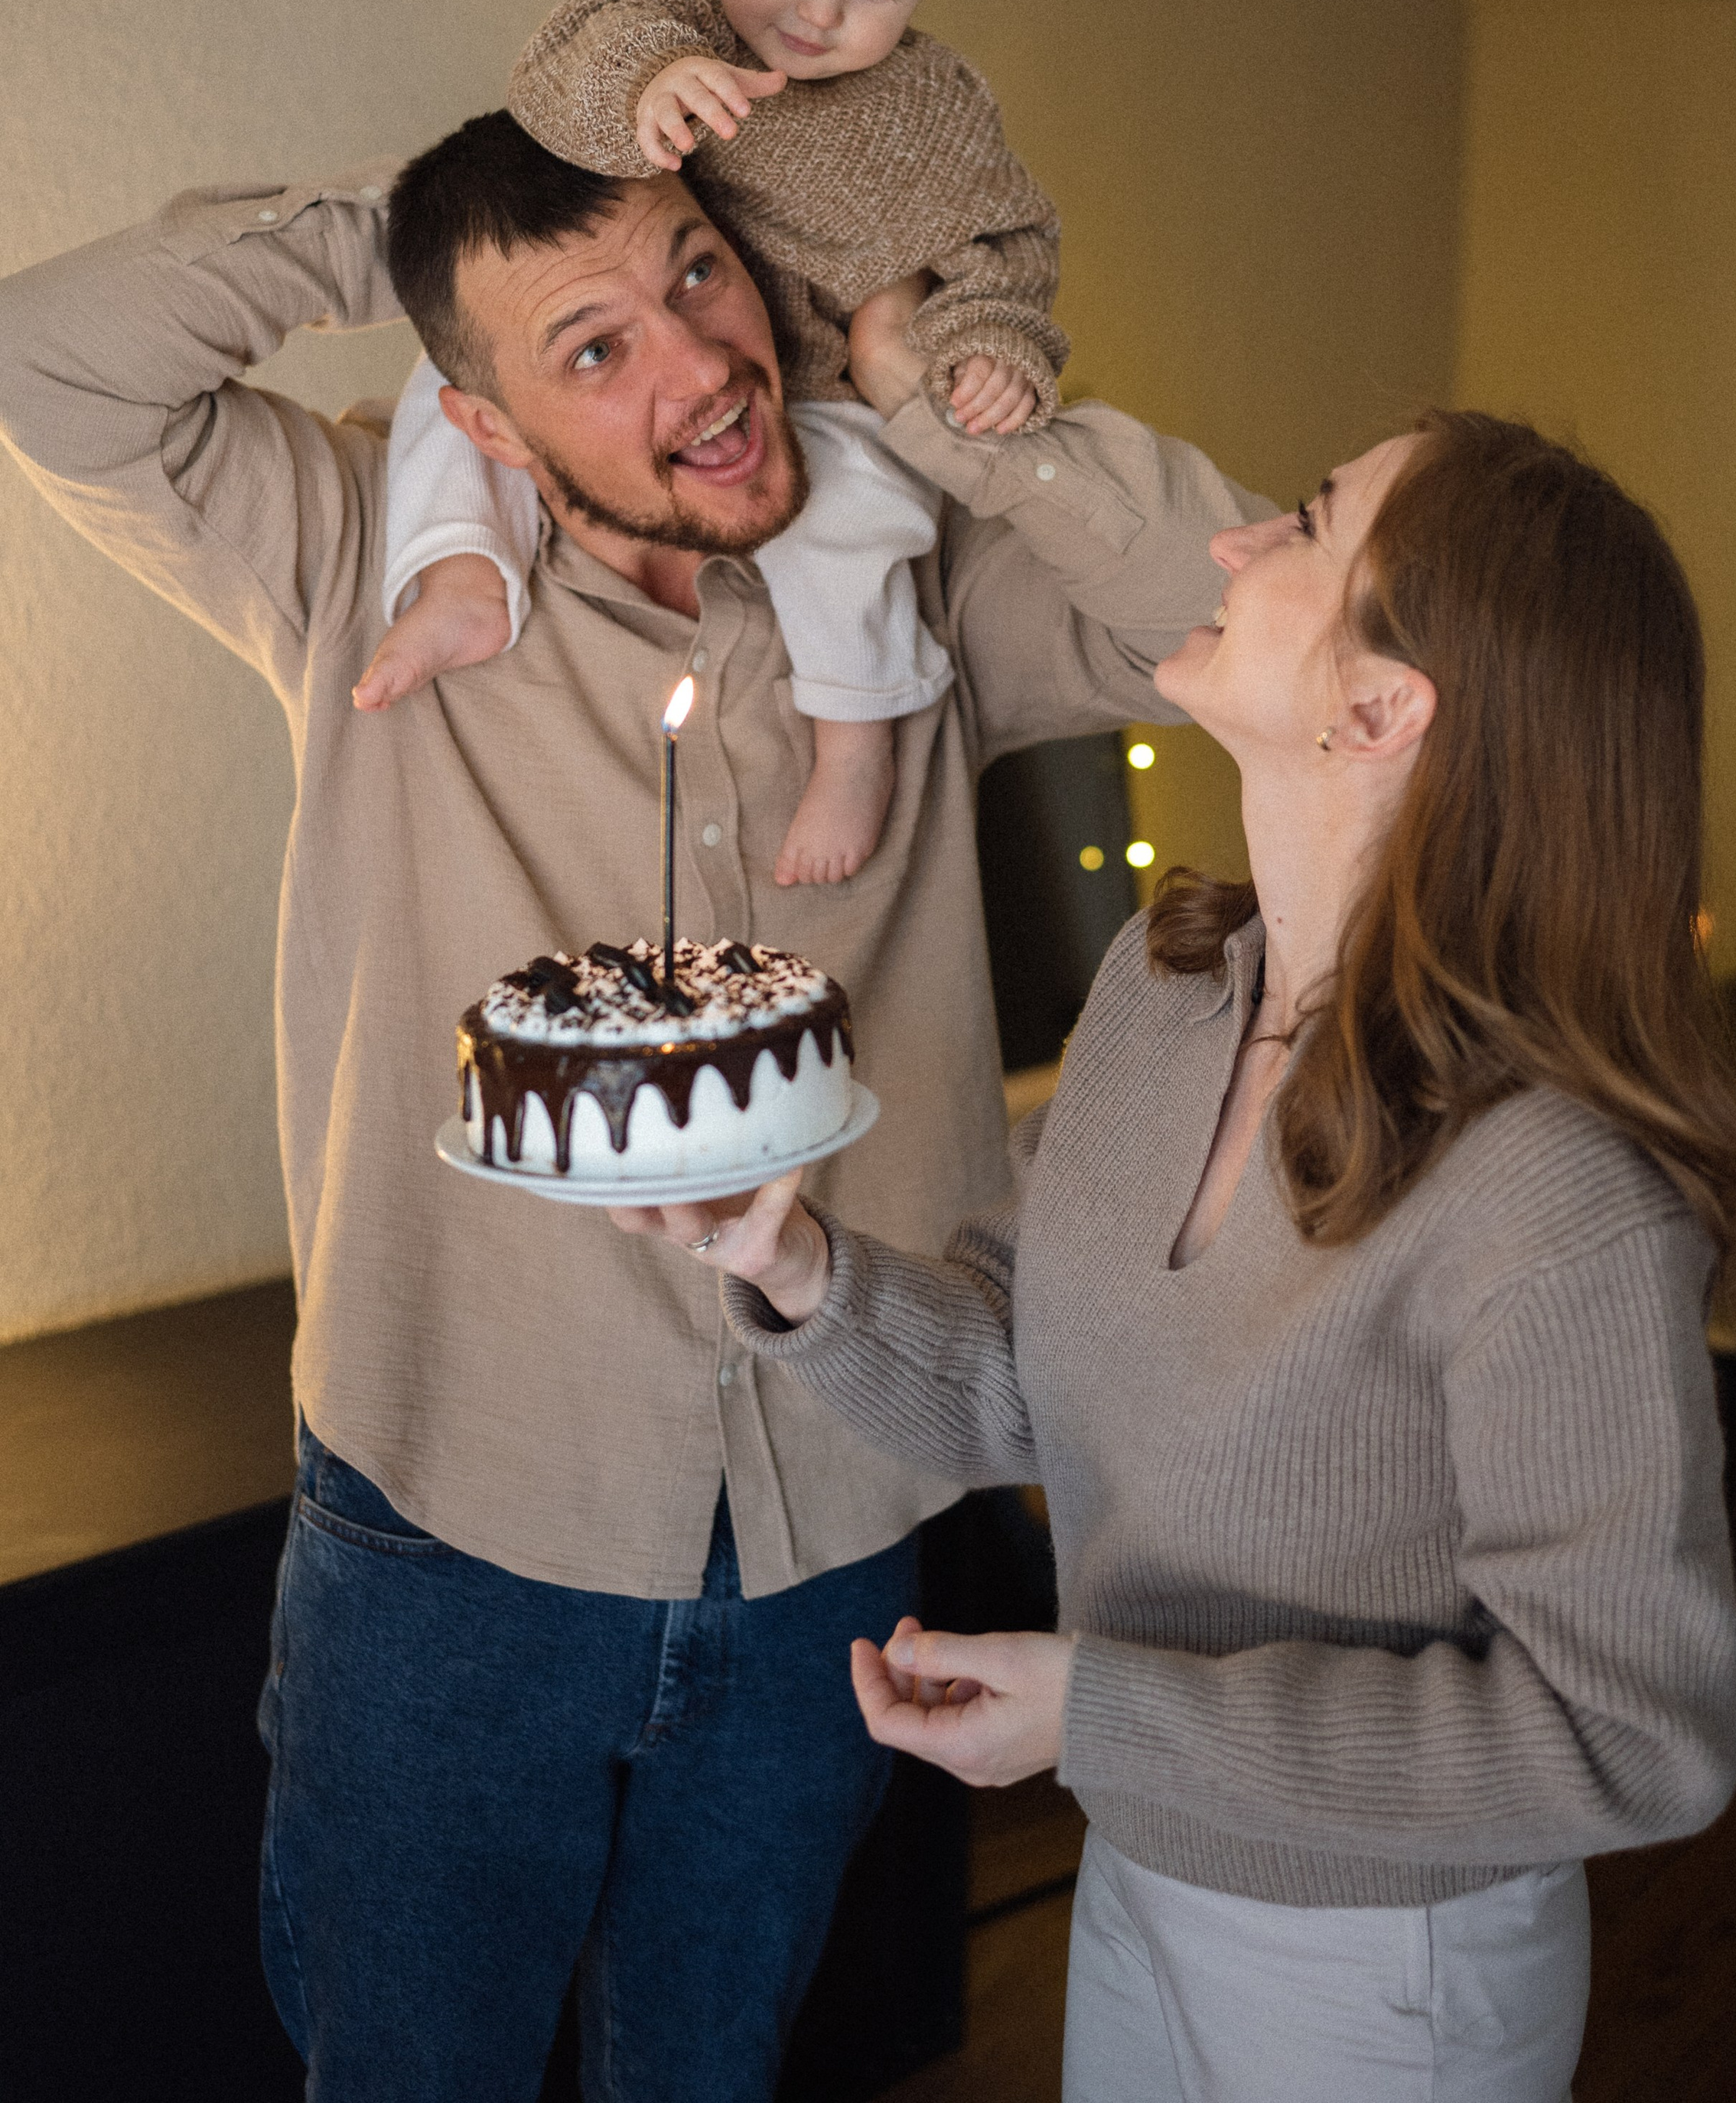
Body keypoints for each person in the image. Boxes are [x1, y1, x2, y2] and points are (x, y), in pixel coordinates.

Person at [0, 112, 1259, 2101]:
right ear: (482, 423)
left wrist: (936, 386)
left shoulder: (915, 581)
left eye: (697, 273)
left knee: (710, 2076)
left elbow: (1242, 604)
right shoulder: (359, 557)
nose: (698, 364)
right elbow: (44, 359)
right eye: (590, 347)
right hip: (450, 1546)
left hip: (833, 1538)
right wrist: (420, 228)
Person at [620, 410, 1736, 2103]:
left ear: (1379, 709)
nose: (1238, 544)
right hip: (1144, 1869)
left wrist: (1100, 1712)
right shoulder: (1168, 988)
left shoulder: (1553, 1194)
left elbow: (1633, 1739)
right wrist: (792, 1261)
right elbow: (1021, 1376)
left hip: (1386, 1969)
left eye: (1305, 524)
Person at [362, 0, 1067, 884]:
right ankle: (462, 573)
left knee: (850, 522)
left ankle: (855, 736)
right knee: (457, 371)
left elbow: (1006, 241)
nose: (820, 13)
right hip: (648, 323)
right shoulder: (667, 7)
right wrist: (646, 87)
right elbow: (555, 74)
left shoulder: (933, 113)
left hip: (818, 384)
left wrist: (989, 340)